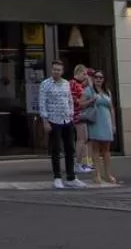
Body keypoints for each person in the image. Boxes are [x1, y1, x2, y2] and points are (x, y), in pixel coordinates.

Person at [37, 60, 82, 188]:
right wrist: (45, 121)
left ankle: (71, 177)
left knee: (70, 149)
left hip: (67, 120)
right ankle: (57, 177)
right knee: (56, 150)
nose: (56, 71)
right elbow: (42, 103)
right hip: (53, 120)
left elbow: (69, 100)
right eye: (54, 69)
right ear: (52, 70)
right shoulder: (45, 84)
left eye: (59, 69)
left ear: (62, 71)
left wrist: (71, 114)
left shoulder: (66, 83)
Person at [83, 71, 118, 186]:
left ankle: (108, 174)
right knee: (96, 149)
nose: (98, 79)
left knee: (106, 150)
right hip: (96, 122)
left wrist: (113, 124)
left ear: (103, 79)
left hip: (106, 122)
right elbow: (81, 104)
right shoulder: (89, 90)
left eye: (101, 77)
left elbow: (111, 108)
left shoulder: (107, 91)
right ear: (93, 79)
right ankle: (97, 174)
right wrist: (91, 100)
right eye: (96, 77)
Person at [71, 64, 94, 175]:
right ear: (79, 72)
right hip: (79, 115)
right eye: (84, 74)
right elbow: (81, 100)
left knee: (82, 139)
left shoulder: (73, 83)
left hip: (77, 114)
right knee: (81, 139)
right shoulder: (75, 85)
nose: (85, 76)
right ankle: (78, 164)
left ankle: (82, 163)